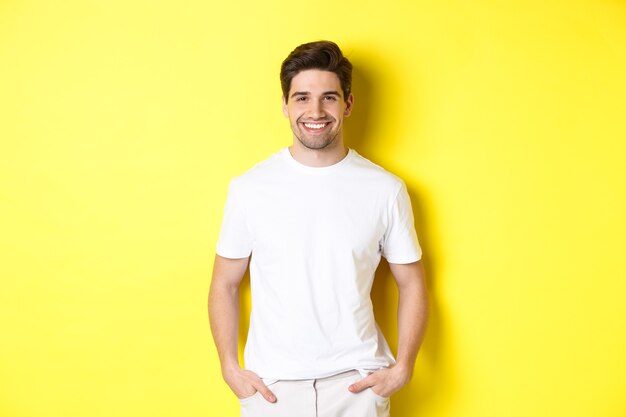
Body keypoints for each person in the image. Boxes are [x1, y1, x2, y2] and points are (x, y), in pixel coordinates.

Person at [208, 40, 428, 417]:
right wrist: (230, 368)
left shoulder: (385, 189)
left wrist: (403, 368)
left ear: (348, 104)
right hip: (271, 388)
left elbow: (412, 282)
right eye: (302, 98)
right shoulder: (249, 188)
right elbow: (224, 283)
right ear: (284, 105)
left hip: (357, 385)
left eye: (329, 97)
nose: (315, 111)